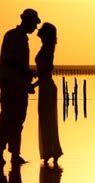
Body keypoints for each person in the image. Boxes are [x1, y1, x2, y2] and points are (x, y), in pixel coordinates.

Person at [0, 9, 40, 165]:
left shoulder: (22, 39)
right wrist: (26, 71)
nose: (35, 28)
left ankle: (15, 154)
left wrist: (27, 77)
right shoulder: (11, 36)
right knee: (6, 119)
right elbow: (10, 61)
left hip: (20, 87)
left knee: (18, 121)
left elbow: (18, 64)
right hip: (9, 87)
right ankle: (0, 153)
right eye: (34, 24)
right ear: (26, 21)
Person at [32, 23, 63, 165]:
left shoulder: (47, 49)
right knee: (46, 120)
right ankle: (50, 152)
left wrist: (33, 83)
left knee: (48, 120)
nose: (39, 32)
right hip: (45, 87)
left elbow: (45, 71)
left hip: (47, 88)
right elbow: (43, 72)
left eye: (42, 31)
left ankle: (52, 152)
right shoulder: (46, 48)